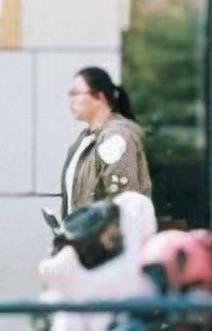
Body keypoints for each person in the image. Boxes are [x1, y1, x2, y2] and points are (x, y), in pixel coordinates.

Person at [59, 67, 151, 218]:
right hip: (84, 232)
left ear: (99, 97)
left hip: (107, 233)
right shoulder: (87, 137)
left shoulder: (117, 138)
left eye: (76, 93)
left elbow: (124, 203)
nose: (71, 100)